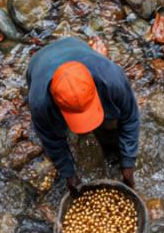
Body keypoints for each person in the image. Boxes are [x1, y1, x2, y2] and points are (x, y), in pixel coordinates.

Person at [26, 37, 140, 194]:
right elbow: (52, 141)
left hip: (74, 45)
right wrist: (69, 174)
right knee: (54, 128)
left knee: (112, 127)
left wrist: (128, 163)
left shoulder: (112, 78)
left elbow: (130, 118)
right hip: (40, 62)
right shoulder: (39, 102)